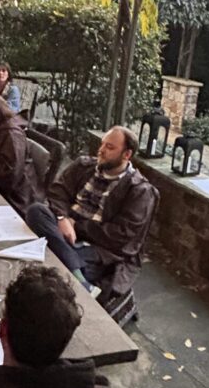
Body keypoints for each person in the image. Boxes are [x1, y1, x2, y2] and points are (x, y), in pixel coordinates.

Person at [25, 126, 156, 300]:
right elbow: (58, 192)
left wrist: (76, 226)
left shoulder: (140, 191)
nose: (101, 150)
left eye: (110, 147)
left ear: (127, 155)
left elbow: (120, 234)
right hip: (63, 230)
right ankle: (79, 278)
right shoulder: (83, 165)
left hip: (98, 249)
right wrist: (62, 218)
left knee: (50, 260)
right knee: (36, 210)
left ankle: (72, 269)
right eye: (102, 144)